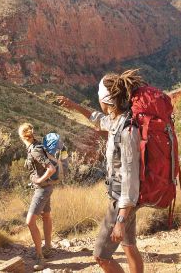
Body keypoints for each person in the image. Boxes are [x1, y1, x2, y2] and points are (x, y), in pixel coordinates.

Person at [57, 70, 145, 273]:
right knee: (129, 246)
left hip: (122, 202)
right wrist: (74, 106)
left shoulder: (127, 131)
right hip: (126, 201)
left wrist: (121, 220)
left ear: (106, 99)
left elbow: (130, 179)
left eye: (99, 96)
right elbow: (98, 119)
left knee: (101, 255)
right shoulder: (116, 120)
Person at [18, 123, 57, 271]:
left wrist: (39, 180)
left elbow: (51, 169)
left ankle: (40, 257)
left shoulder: (35, 151)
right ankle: (47, 248)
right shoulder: (37, 145)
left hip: (42, 189)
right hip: (47, 187)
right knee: (46, 216)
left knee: (30, 222)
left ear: (22, 136)